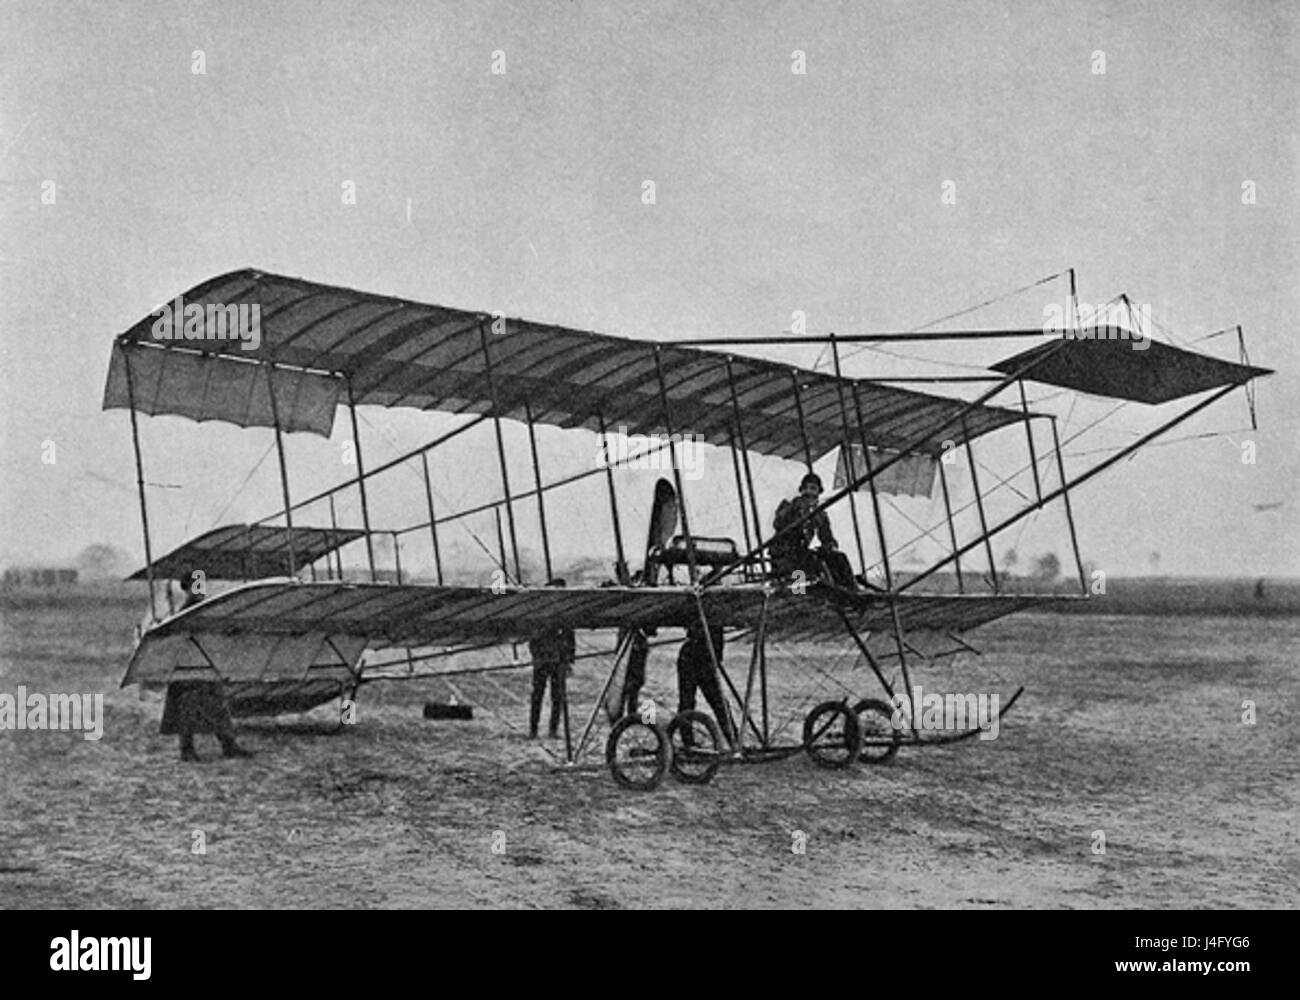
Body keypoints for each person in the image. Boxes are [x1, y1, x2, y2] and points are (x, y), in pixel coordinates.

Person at [160, 572, 252, 762]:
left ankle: (229, 745)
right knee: (187, 709)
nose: (199, 589)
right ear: (187, 589)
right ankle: (187, 750)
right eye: (195, 586)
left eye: (201, 585)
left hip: (206, 663)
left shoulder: (206, 609)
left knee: (218, 706)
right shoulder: (185, 612)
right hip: (187, 667)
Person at [770, 472, 856, 588]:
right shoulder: (789, 506)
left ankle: (851, 590)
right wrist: (795, 509)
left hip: (802, 553)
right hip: (784, 555)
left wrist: (830, 546)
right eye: (805, 488)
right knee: (809, 563)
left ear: (818, 492)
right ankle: (798, 593)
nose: (809, 492)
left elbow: (827, 536)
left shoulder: (819, 514)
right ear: (801, 491)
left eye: (813, 488)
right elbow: (778, 523)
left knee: (839, 558)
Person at [675, 618, 737, 746]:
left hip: (706, 660)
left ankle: (734, 741)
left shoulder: (716, 617)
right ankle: (688, 742)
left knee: (720, 703)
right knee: (688, 702)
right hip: (693, 658)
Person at [528, 579, 575, 738]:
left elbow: (570, 638)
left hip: (558, 662)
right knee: (537, 696)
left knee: (557, 697)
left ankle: (553, 730)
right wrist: (537, 657)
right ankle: (533, 729)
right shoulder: (540, 613)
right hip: (543, 661)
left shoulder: (565, 614)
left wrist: (568, 660)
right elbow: (533, 639)